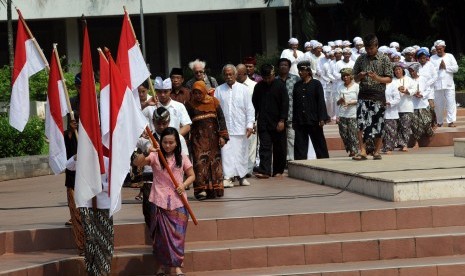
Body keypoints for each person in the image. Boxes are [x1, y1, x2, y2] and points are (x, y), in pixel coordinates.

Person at [133, 127, 195, 276]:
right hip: (158, 200)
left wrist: (183, 185)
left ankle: (177, 267)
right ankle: (160, 267)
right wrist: (148, 151)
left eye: (171, 143)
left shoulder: (182, 156)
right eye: (165, 142)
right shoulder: (155, 155)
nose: (168, 145)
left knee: (178, 236)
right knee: (160, 238)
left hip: (178, 202)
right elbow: (137, 163)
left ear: (176, 143)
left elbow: (192, 175)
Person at [134, 107, 189, 227]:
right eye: (158, 123)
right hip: (151, 179)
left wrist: (183, 183)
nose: (161, 126)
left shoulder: (178, 138)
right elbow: (136, 159)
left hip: (172, 182)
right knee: (151, 214)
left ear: (168, 122)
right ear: (153, 122)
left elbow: (185, 160)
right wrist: (146, 152)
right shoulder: (146, 138)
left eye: (164, 123)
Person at [185, 81, 229, 200]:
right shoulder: (189, 105)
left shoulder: (214, 102)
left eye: (200, 93)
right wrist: (185, 139)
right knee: (199, 164)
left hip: (213, 139)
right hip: (197, 140)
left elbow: (221, 119)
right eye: (195, 93)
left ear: (204, 91)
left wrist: (223, 136)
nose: (198, 96)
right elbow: (186, 122)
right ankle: (201, 190)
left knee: (214, 164)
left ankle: (214, 190)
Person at [352, 34, 393, 161]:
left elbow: (389, 78)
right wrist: (361, 75)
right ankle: (363, 150)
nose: (369, 51)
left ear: (377, 46)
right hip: (363, 95)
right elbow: (355, 78)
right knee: (360, 124)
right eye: (367, 48)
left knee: (378, 123)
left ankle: (377, 151)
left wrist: (377, 78)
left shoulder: (384, 59)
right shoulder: (361, 59)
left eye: (371, 48)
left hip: (378, 95)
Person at [215, 64, 255, 187]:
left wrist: (249, 125)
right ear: (223, 76)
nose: (228, 76)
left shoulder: (243, 89)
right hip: (225, 128)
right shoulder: (219, 90)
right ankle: (228, 177)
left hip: (241, 127)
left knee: (241, 153)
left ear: (235, 75)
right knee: (226, 153)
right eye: (226, 74)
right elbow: (216, 110)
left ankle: (242, 177)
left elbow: (249, 108)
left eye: (231, 74)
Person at [252, 64, 289, 178]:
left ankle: (278, 170)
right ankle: (265, 170)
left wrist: (282, 120)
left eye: (269, 77)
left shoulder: (280, 85)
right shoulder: (258, 87)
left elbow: (285, 104)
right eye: (265, 78)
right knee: (264, 147)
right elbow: (254, 104)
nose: (267, 80)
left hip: (278, 122)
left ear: (273, 74)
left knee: (280, 147)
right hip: (263, 121)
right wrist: (254, 120)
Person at [293, 60, 330, 160]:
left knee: (319, 143)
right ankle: (300, 165)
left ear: (308, 71)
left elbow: (321, 102)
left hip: (314, 120)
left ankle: (324, 163)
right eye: (299, 70)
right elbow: (295, 104)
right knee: (300, 144)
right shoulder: (297, 85)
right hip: (300, 120)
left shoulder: (316, 84)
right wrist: (294, 120)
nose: (300, 72)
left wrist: (322, 118)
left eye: (302, 70)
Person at [63, 113, 85, 256]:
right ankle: (81, 245)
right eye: (72, 121)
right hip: (72, 180)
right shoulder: (66, 136)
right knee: (76, 215)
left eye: (77, 121)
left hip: (87, 180)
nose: (75, 124)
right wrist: (70, 132)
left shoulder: (86, 136)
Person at [430, 40, 459, 127]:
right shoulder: (432, 58)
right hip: (437, 85)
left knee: (451, 103)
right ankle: (439, 122)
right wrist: (438, 68)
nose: (439, 50)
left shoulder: (450, 56)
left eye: (440, 49)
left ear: (444, 48)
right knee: (438, 105)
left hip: (449, 84)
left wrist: (446, 67)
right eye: (437, 49)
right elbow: (430, 71)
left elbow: (456, 68)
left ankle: (451, 122)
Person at [276, 58, 300, 162]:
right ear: (278, 67)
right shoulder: (275, 80)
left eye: (286, 65)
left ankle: (290, 160)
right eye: (281, 65)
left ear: (289, 67)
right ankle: (281, 160)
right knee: (279, 140)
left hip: (292, 114)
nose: (283, 67)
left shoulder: (296, 79)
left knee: (292, 139)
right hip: (278, 116)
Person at [236, 64, 258, 176]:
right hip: (236, 122)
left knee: (251, 146)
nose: (235, 76)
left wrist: (253, 121)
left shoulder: (254, 86)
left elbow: (257, 105)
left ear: (244, 74)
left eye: (237, 74)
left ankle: (248, 170)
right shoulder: (232, 86)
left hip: (250, 121)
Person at [408, 62, 435, 149]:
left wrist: (422, 94)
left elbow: (428, 89)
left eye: (413, 71)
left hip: (423, 104)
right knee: (415, 125)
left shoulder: (423, 79)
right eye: (410, 71)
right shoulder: (408, 80)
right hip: (414, 105)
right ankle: (416, 143)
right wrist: (413, 94)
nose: (412, 73)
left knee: (427, 122)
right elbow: (407, 91)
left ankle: (430, 132)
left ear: (416, 71)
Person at [335, 68, 359, 157]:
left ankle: (354, 150)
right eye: (343, 76)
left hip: (353, 113)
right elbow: (336, 103)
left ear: (351, 76)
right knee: (343, 134)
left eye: (347, 75)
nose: (345, 77)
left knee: (353, 133)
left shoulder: (356, 86)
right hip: (342, 114)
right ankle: (350, 148)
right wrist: (340, 100)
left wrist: (350, 102)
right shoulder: (339, 87)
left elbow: (359, 100)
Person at [382, 76, 401, 154]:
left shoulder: (393, 85)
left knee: (391, 131)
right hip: (380, 111)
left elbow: (397, 98)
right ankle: (385, 146)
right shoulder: (379, 84)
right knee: (382, 131)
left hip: (391, 111)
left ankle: (389, 147)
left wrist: (389, 103)